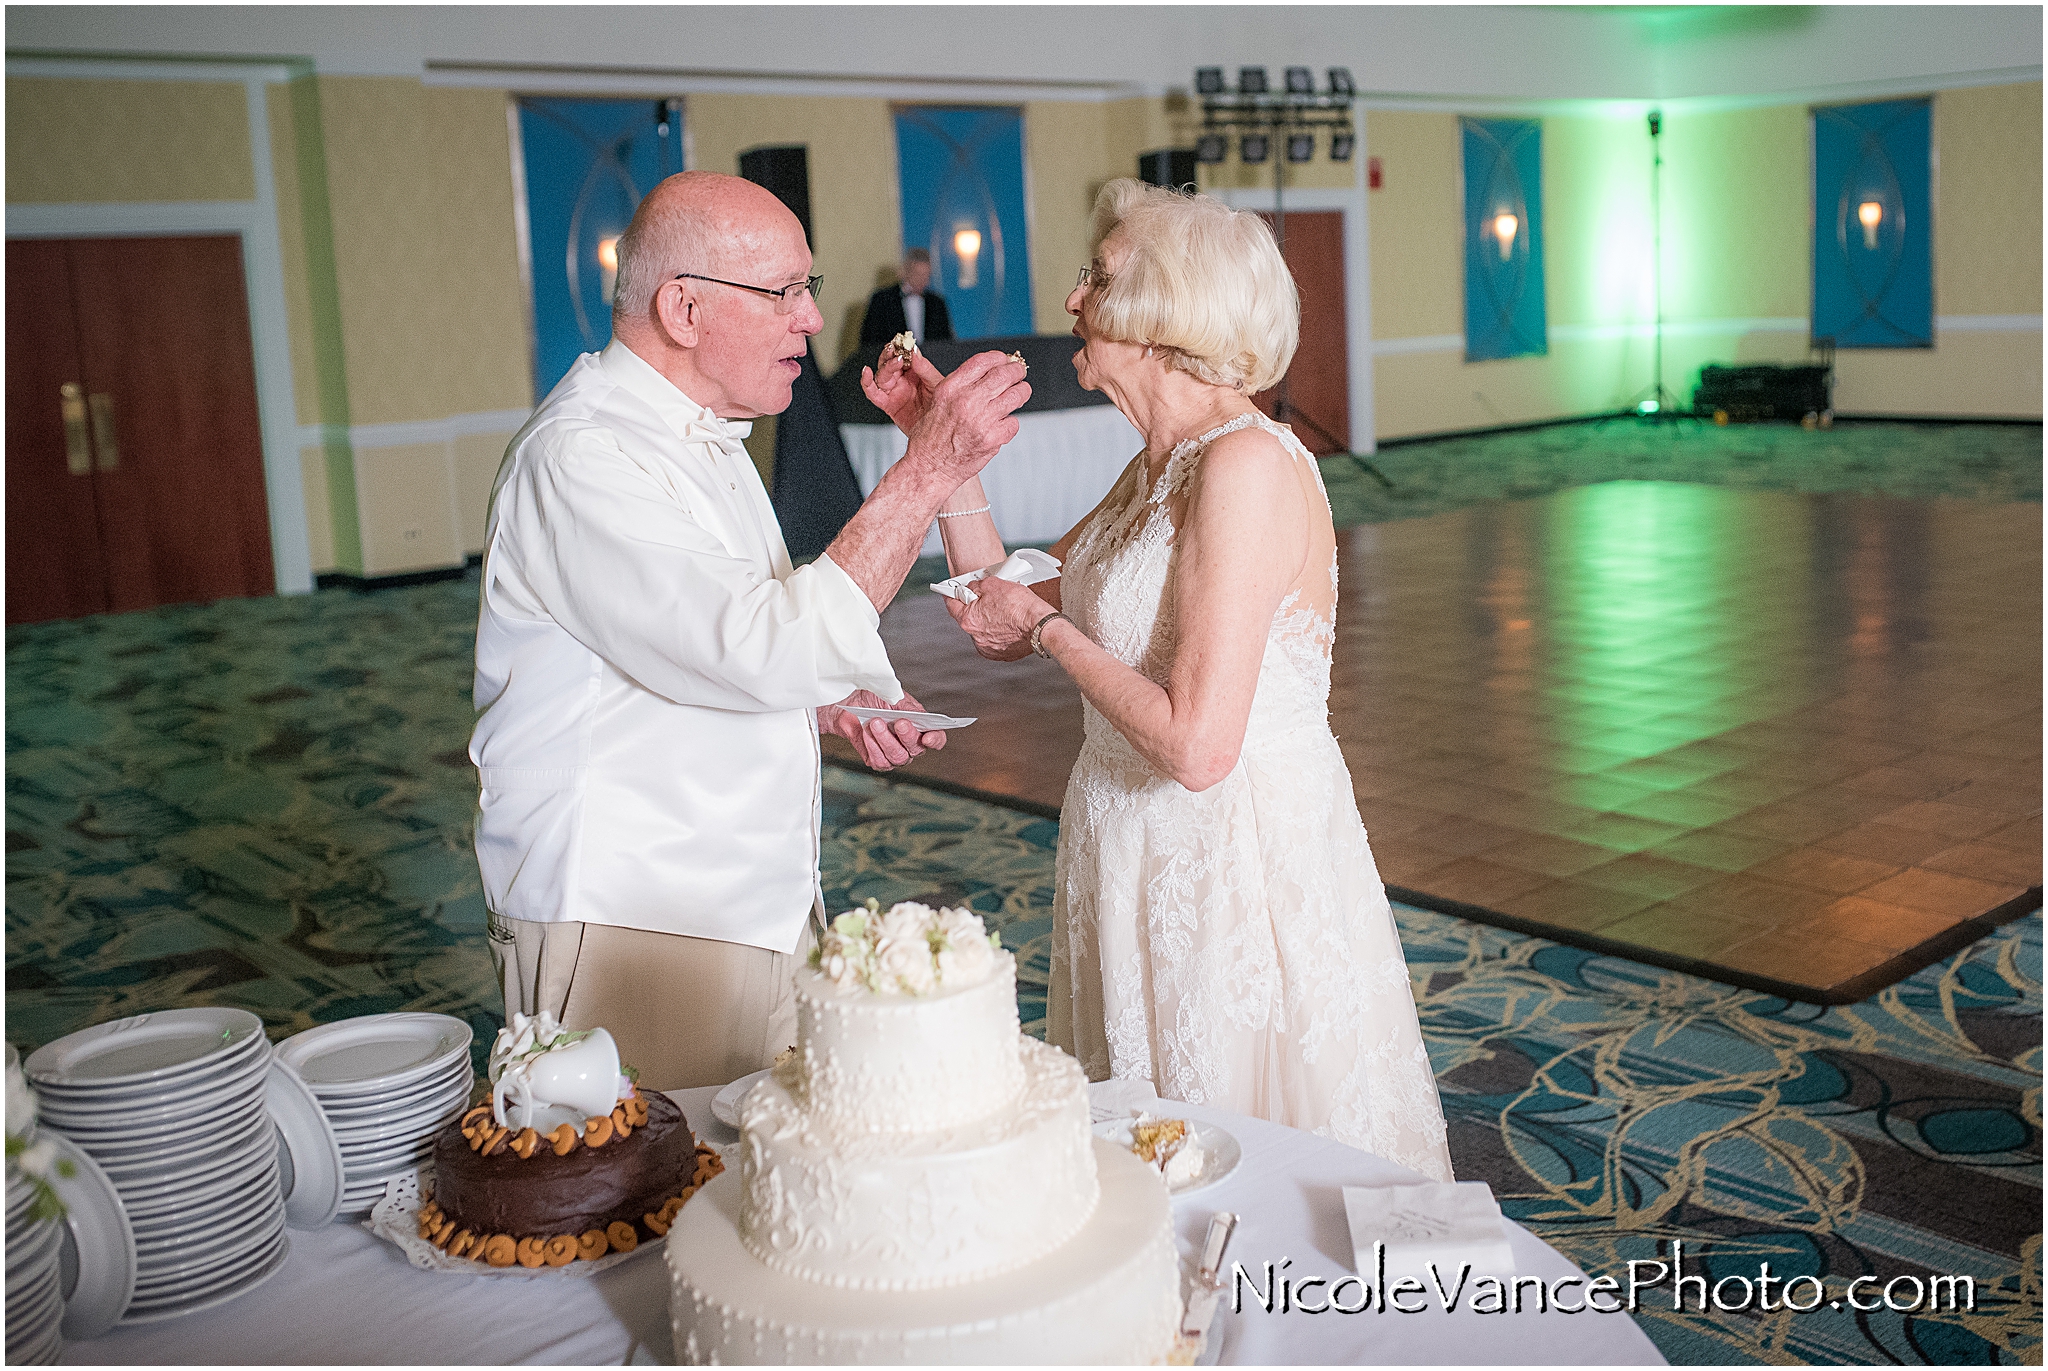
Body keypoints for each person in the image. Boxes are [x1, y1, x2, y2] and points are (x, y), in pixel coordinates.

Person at [866, 179, 1452, 1180]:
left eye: (1097, 277)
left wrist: (1047, 627)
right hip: (1123, 838)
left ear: (1163, 311)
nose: (1071, 301)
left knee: (1237, 1156)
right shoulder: (1154, 465)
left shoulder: (1245, 466)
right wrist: (950, 459)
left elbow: (1195, 747)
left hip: (1229, 856)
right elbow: (999, 614)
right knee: (1142, 1150)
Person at [471, 171, 1029, 1091]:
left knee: (745, 1195)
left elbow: (701, 655)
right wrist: (927, 469)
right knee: (647, 1215)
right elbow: (769, 642)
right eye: (784, 292)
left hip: (749, 903)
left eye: (807, 288)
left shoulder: (706, 434)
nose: (811, 319)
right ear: (683, 308)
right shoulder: (584, 457)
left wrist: (822, 701)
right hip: (635, 919)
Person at [859, 247, 953, 349]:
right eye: (918, 274)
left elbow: (946, 342)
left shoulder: (937, 303)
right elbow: (869, 340)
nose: (923, 281)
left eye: (926, 275)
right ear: (904, 272)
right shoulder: (882, 300)